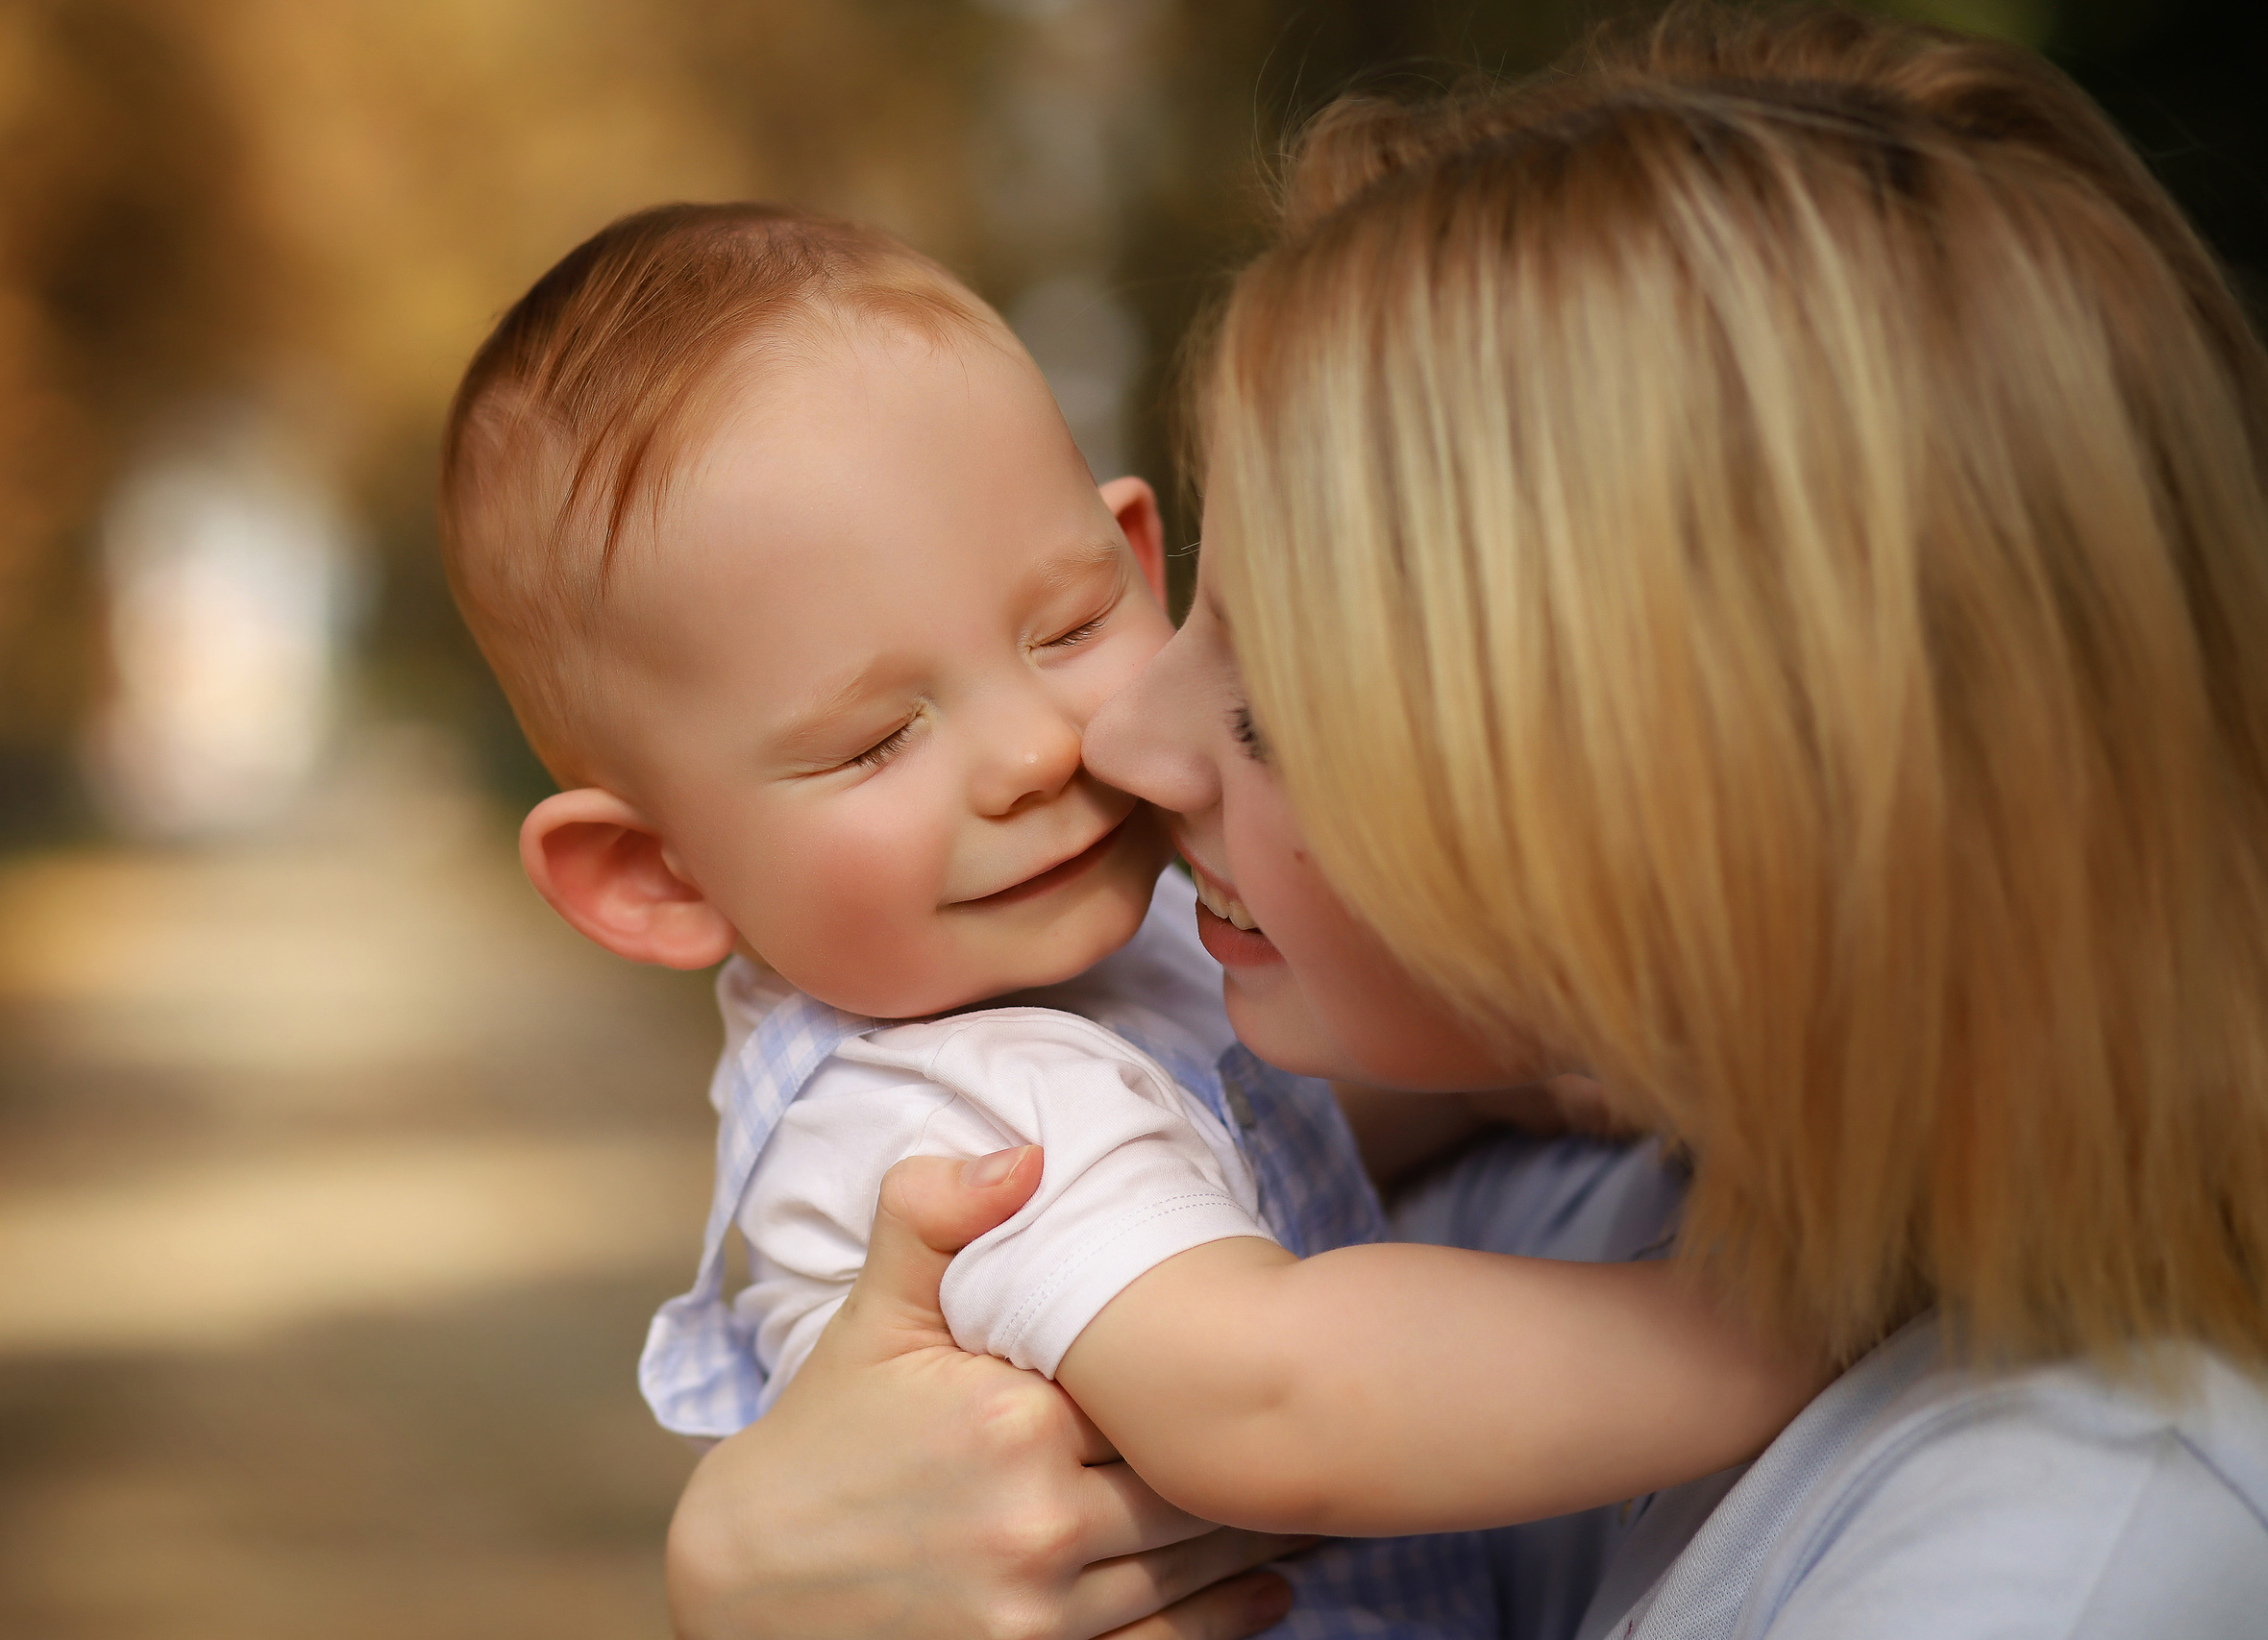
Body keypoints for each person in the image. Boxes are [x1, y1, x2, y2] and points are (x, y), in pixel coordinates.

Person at [661, 7, 2268, 1637]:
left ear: (1680, 807)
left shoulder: (2056, 1564)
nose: (1123, 743)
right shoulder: (1607, 1169)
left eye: (1275, 708)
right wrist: (745, 1557)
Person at [437, 202, 1819, 1638]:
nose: (1034, 748)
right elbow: (1272, 1392)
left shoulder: (1114, 957)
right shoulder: (943, 1117)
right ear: (656, 878)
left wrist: (1514, 1081)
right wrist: (1772, 1333)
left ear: (1138, 560)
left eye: (1067, 629)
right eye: (872, 743)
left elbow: (1258, 1116)